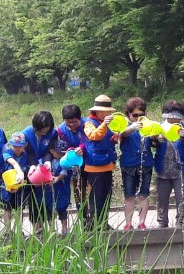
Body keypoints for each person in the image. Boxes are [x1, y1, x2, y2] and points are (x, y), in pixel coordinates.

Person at [152, 101, 184, 229]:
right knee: (162, 198)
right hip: (163, 168)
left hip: (182, 169)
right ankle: (162, 221)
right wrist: (155, 139)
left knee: (183, 198)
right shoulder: (158, 127)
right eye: (171, 116)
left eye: (177, 116)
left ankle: (182, 222)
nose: (174, 118)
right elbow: (151, 143)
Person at [81, 94, 118, 230]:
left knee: (106, 196)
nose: (106, 113)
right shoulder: (88, 123)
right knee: (96, 198)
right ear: (95, 110)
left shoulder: (109, 123)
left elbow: (108, 138)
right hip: (94, 166)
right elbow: (94, 136)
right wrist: (104, 124)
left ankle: (104, 223)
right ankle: (94, 224)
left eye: (108, 111)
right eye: (103, 111)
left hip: (108, 165)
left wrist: (115, 138)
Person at [49, 104, 86, 235]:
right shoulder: (60, 130)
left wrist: (81, 148)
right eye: (68, 122)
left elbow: (87, 140)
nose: (71, 125)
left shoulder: (87, 125)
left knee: (85, 192)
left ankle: (87, 223)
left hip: (87, 161)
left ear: (79, 119)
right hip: (70, 163)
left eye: (74, 122)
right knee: (76, 192)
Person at [117, 97, 151, 231]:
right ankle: (128, 223)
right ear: (128, 114)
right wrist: (131, 128)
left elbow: (156, 137)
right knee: (129, 196)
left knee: (143, 195)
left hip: (146, 164)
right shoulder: (123, 125)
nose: (138, 118)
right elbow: (121, 135)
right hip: (128, 165)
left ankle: (142, 222)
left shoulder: (148, 125)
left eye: (141, 115)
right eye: (135, 115)